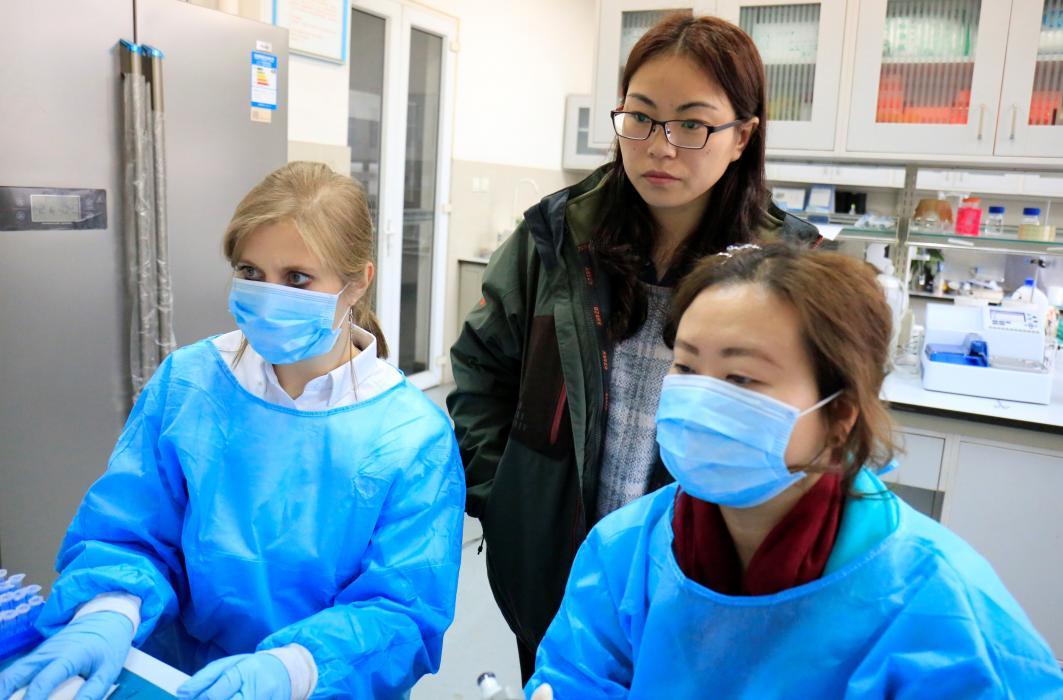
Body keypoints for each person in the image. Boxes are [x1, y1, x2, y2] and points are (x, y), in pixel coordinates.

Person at [0, 162, 465, 700]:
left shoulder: (411, 436)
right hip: (179, 679)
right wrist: (108, 610)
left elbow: (403, 611)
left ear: (357, 281)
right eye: (250, 272)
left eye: (296, 278)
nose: (269, 295)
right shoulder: (192, 382)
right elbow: (132, 530)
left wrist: (292, 670)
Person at [447, 13, 818, 680]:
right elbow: (480, 372)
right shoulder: (553, 241)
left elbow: (814, 439)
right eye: (640, 118)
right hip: (553, 568)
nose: (660, 147)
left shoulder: (787, 271)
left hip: (704, 580)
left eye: (692, 124)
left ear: (742, 136)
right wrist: (505, 498)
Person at [526, 244, 1063, 698]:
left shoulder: (939, 604)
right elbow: (576, 679)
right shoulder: (627, 551)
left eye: (740, 378)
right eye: (686, 368)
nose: (699, 400)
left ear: (839, 414)